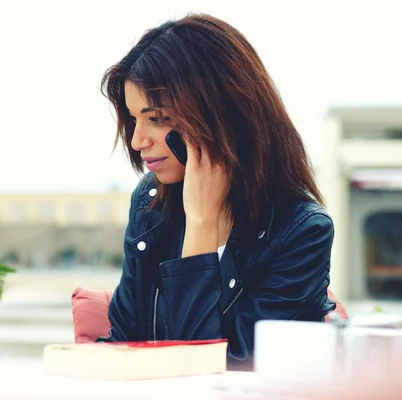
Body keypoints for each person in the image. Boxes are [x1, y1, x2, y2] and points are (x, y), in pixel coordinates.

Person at [96, 13, 336, 370]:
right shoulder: (151, 205)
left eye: (157, 118)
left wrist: (202, 223)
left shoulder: (301, 232)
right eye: (133, 119)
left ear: (220, 115)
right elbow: (124, 340)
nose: (136, 139)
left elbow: (221, 373)